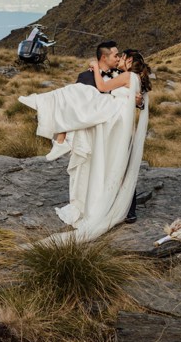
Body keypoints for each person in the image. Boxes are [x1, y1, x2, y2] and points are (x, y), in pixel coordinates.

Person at [18, 48, 152, 243]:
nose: (119, 60)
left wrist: (96, 68)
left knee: (82, 97)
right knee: (110, 153)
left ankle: (58, 129)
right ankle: (62, 135)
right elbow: (134, 98)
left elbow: (103, 87)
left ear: (130, 61)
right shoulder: (136, 78)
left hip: (116, 118)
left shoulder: (127, 76)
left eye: (122, 57)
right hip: (121, 120)